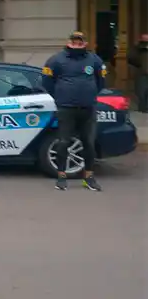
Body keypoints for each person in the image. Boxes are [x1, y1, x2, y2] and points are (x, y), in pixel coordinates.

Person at [42, 31, 106, 192]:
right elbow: (47, 81)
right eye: (74, 41)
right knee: (63, 142)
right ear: (69, 42)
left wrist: (89, 94)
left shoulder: (94, 60)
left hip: (88, 108)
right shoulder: (56, 60)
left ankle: (89, 177)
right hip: (66, 108)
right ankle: (62, 176)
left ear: (85, 43)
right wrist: (60, 96)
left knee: (89, 144)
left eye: (80, 42)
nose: (77, 44)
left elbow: (101, 81)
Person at [127, 34, 148, 112]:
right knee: (141, 91)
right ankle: (142, 107)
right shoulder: (136, 49)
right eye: (144, 39)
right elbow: (131, 58)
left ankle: (146, 107)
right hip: (141, 73)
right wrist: (139, 64)